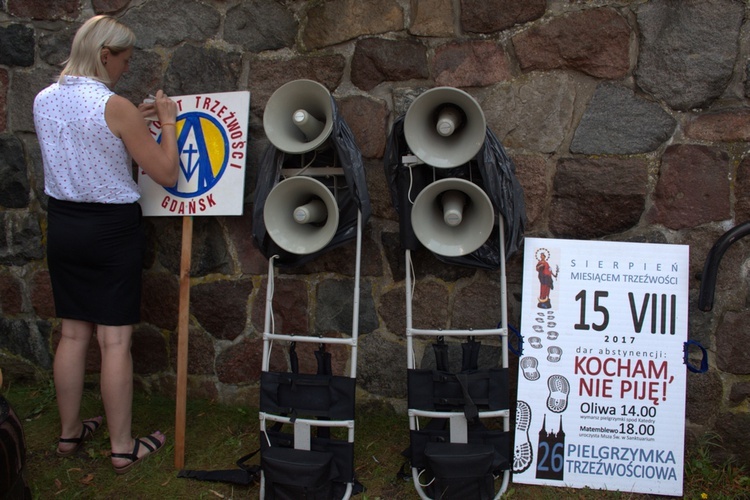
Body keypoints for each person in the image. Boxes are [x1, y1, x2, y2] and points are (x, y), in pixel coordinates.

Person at [33, 15, 179, 474]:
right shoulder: (115, 106)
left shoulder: (43, 98)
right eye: (124, 61)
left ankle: (69, 433)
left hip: (63, 224)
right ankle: (122, 447)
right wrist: (168, 123)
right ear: (103, 55)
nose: (125, 70)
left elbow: (85, 139)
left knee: (73, 333)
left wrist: (133, 116)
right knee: (114, 340)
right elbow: (167, 173)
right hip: (110, 228)